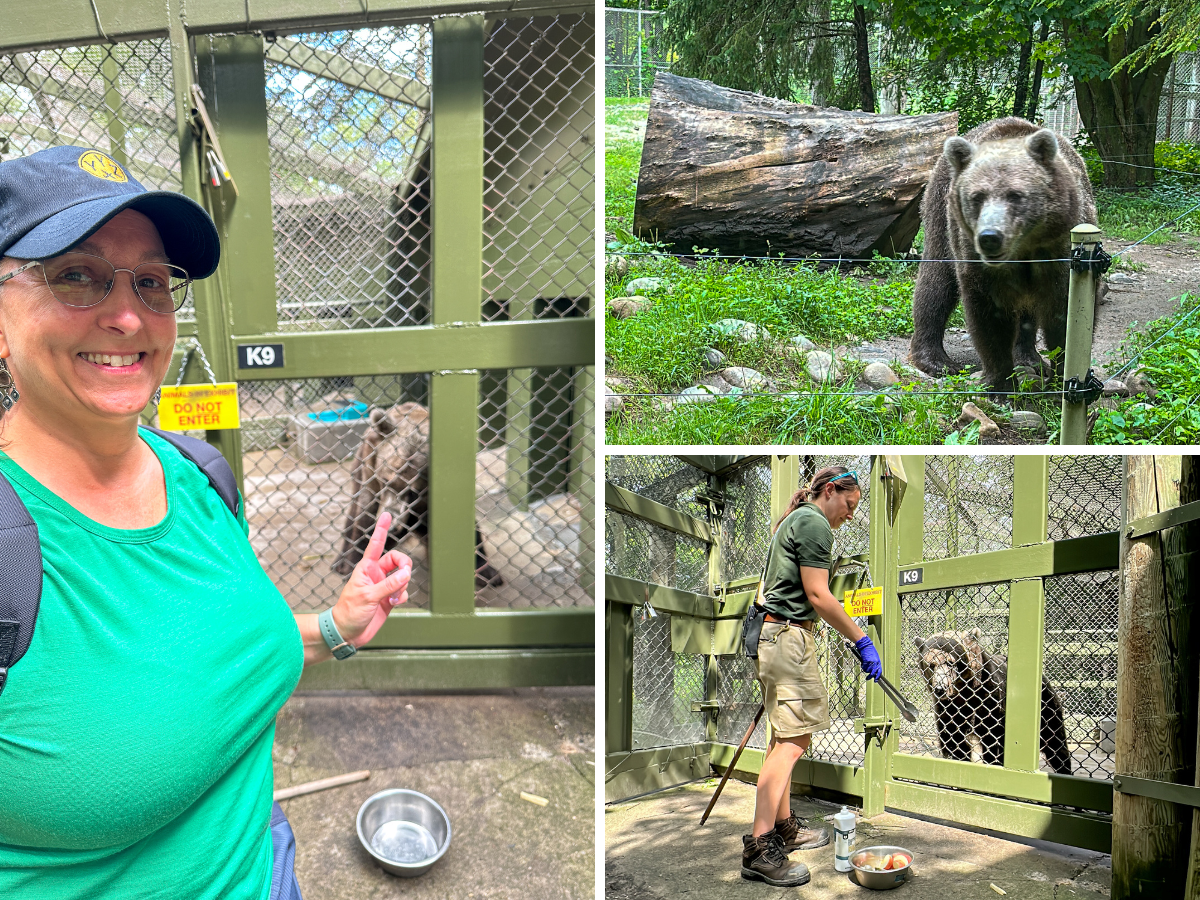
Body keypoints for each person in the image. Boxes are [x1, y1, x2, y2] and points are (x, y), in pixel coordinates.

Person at [0, 146, 413, 899]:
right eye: (75, 274)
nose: (127, 315)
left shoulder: (196, 473)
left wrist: (332, 627)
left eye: (152, 282)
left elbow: (211, 657)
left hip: (263, 864)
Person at [741, 466, 882, 888]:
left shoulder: (798, 518)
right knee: (793, 741)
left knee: (785, 737)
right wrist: (860, 639)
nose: (851, 515)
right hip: (784, 635)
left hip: (776, 632)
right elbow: (819, 594)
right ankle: (759, 849)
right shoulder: (815, 522)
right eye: (850, 505)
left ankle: (784, 828)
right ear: (832, 490)